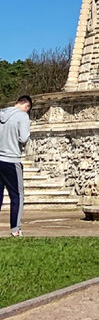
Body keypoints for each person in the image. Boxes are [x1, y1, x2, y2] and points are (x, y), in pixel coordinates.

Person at [0, 95, 32, 236]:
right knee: (17, 195)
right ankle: (16, 229)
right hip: (11, 159)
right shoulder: (23, 116)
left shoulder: (1, 113)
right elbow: (23, 137)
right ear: (27, 106)